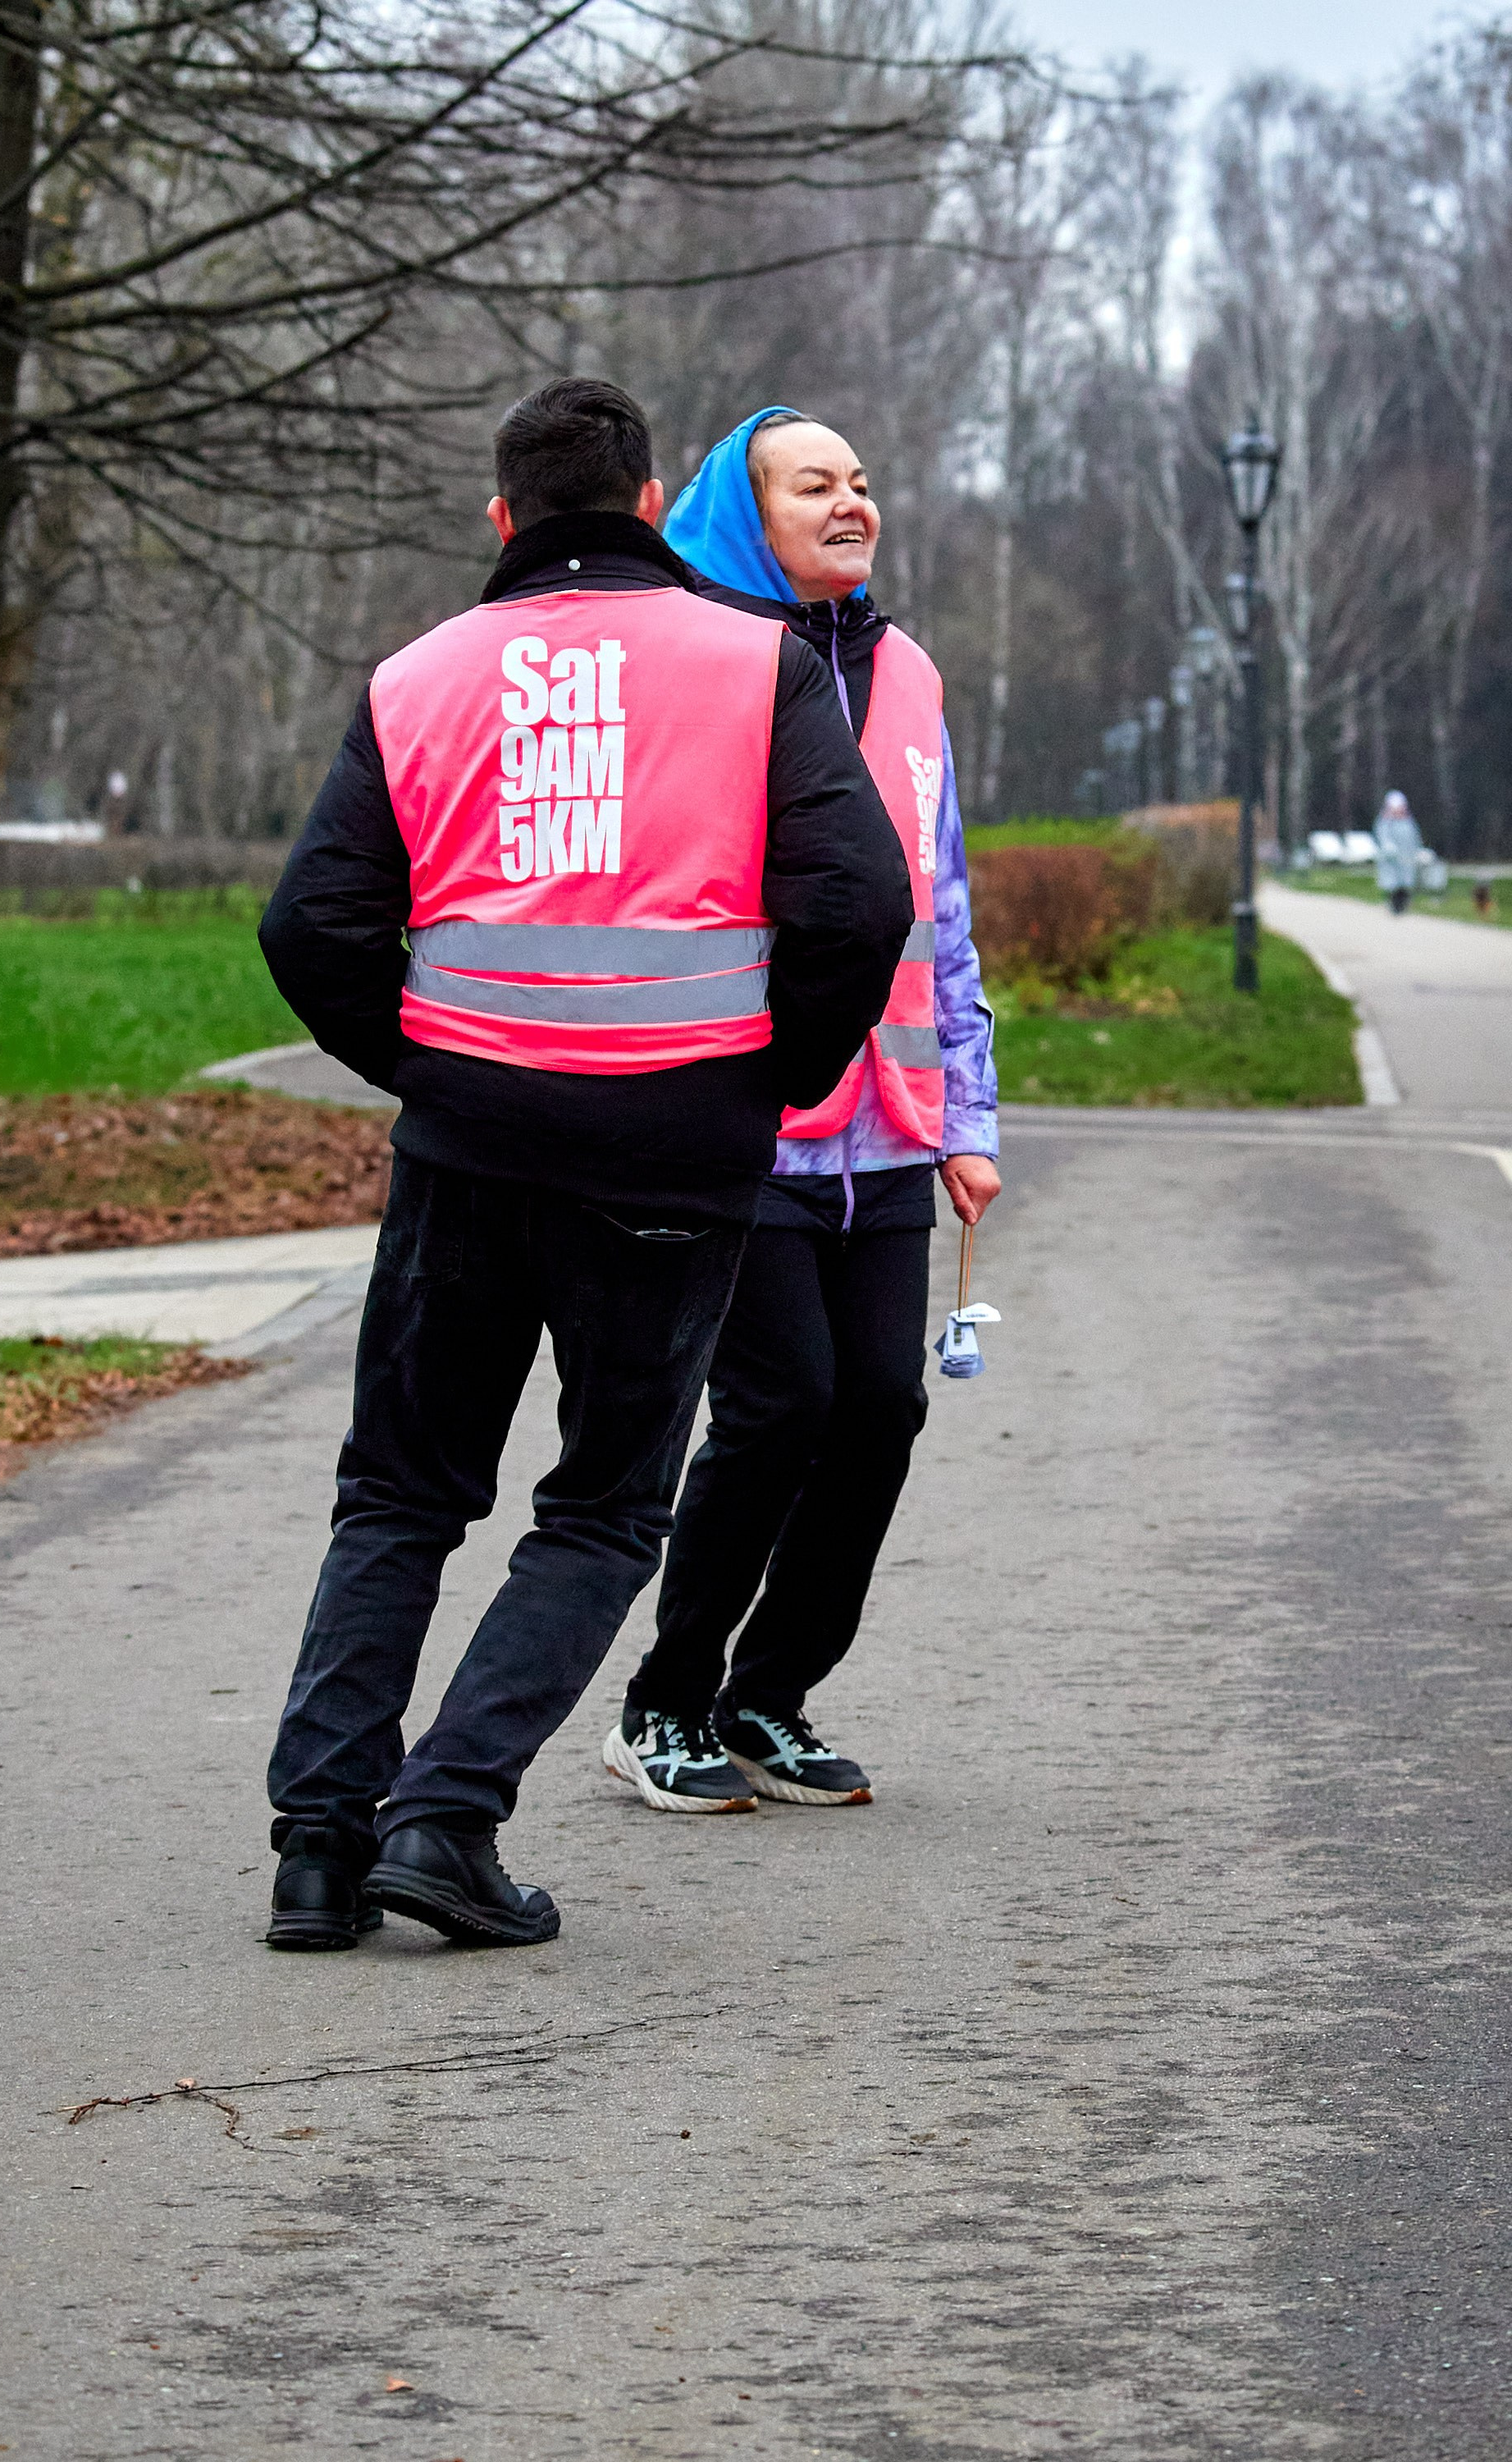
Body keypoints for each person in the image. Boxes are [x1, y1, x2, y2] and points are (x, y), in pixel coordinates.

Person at [258, 378, 913, 1951]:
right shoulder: (753, 664)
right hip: (676, 1152)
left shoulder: (419, 675)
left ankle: (318, 1849)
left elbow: (311, 927)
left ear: (503, 519)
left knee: (398, 1495)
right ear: (643, 506)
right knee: (608, 1510)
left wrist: (426, 1068)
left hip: (468, 1143)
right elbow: (861, 906)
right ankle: (447, 1816)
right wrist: (773, 1079)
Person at [601, 407, 999, 1816]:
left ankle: (770, 1697)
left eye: (864, 481)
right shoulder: (697, 675)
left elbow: (941, 909)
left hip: (889, 1122)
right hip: (746, 1119)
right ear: (741, 512)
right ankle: (664, 1704)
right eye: (814, 484)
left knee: (881, 1409)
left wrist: (971, 1116)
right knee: (780, 1407)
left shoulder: (910, 676)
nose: (852, 503)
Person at [1373, 790, 1422, 913]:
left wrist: (1418, 850)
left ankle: (1404, 905)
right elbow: (1382, 836)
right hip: (1391, 859)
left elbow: (1415, 837)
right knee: (1392, 883)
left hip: (1407, 858)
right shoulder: (1385, 822)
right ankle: (1393, 905)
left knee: (1405, 882)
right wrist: (1388, 847)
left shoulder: (1408, 822)